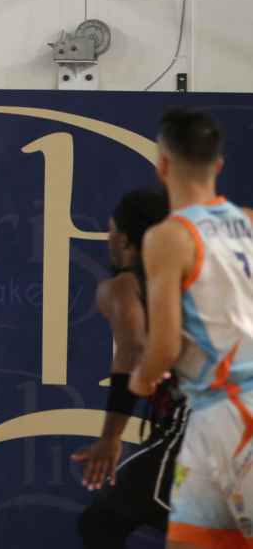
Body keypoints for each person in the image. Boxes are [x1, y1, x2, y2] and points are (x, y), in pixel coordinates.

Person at [130, 108, 253, 548]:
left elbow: (164, 345)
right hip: (209, 411)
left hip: (235, 410)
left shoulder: (170, 236)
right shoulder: (249, 221)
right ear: (218, 164)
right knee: (190, 542)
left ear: (162, 163)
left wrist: (142, 379)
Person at [72, 187, 190, 547]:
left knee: (102, 522)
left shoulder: (123, 287)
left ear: (122, 238)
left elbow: (132, 350)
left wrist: (110, 438)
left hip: (196, 430)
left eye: (110, 230)